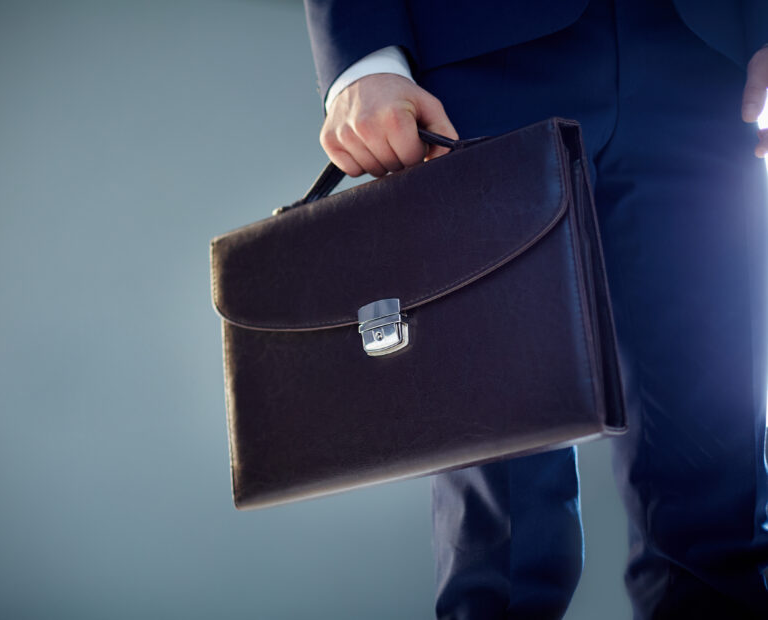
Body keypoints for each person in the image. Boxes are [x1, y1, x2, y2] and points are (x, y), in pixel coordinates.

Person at [303, 1, 768, 617]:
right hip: (483, 60)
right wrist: (363, 58)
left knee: (719, 496)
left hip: (706, 56)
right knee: (506, 539)